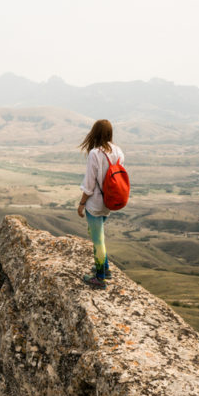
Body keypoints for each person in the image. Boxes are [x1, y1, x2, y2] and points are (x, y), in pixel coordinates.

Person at [77, 119, 124, 289]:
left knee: (98, 240)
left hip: (95, 202)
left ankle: (100, 277)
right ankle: (104, 268)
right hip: (109, 201)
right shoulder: (118, 151)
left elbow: (89, 184)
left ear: (95, 133)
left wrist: (82, 203)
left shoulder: (95, 154)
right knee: (97, 233)